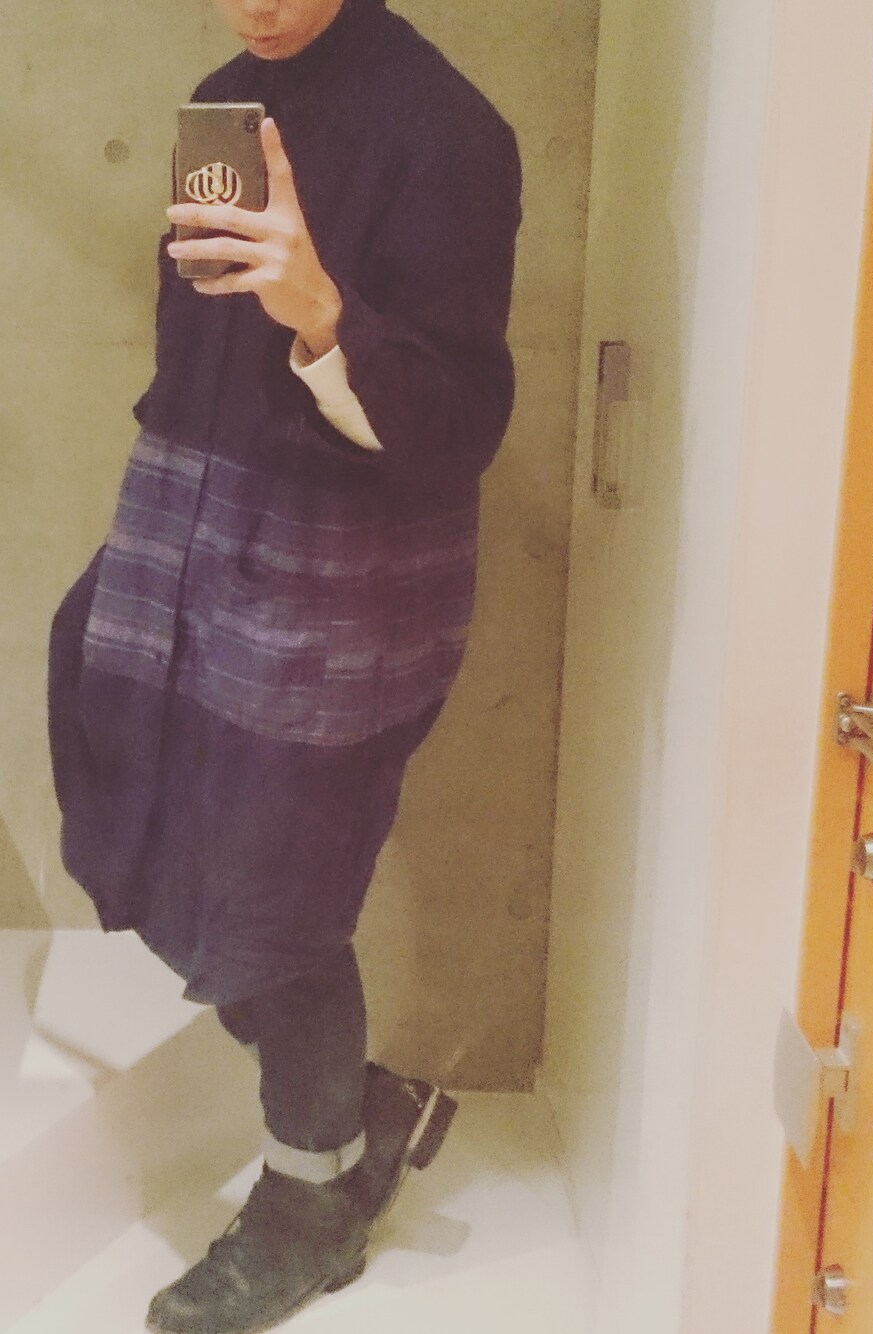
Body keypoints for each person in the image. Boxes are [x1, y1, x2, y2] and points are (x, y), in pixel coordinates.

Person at [46, 1, 522, 1330]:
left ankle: (311, 1205)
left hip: (340, 569)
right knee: (135, 816)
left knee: (277, 897)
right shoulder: (224, 94)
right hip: (195, 522)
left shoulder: (449, 132)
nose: (254, 4)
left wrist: (317, 310)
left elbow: (458, 423)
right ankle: (360, 1102)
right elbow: (196, 341)